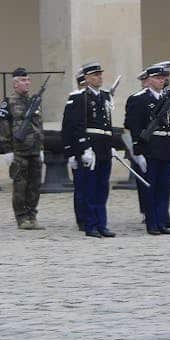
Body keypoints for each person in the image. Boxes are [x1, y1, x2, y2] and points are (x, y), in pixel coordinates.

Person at [125, 64, 170, 235]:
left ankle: (162, 220)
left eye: (163, 78)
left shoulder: (169, 98)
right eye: (158, 78)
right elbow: (132, 127)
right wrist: (137, 152)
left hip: (167, 147)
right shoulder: (138, 99)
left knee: (164, 187)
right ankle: (152, 222)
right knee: (150, 187)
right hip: (150, 149)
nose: (161, 81)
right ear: (148, 80)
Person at [62, 62, 116, 238]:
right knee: (90, 188)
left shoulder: (105, 96)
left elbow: (107, 124)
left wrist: (111, 145)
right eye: (94, 75)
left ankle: (102, 223)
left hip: (104, 148)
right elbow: (76, 126)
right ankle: (90, 224)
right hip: (90, 149)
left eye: (100, 74)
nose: (99, 77)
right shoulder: (79, 97)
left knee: (103, 188)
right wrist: (84, 148)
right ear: (86, 78)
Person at [0, 67, 46, 229]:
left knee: (35, 186)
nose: (27, 83)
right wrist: (7, 150)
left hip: (34, 150)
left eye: (28, 80)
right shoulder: (8, 102)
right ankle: (21, 218)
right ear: (15, 83)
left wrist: (42, 148)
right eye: (23, 80)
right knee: (20, 186)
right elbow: (3, 127)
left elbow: (39, 126)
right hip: (19, 152)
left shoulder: (34, 101)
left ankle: (32, 215)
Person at [65, 71, 85, 230]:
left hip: (94, 151)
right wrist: (70, 153)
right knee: (81, 187)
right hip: (78, 151)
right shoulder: (74, 100)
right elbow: (68, 129)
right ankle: (82, 219)